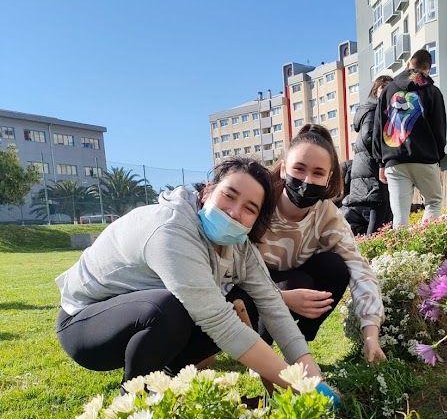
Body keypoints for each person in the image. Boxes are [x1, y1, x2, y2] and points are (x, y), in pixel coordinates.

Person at [54, 157, 325, 389]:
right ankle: (137, 397)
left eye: (249, 208)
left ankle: (170, 375)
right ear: (207, 191)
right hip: (86, 323)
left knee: (246, 300)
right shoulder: (170, 229)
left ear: (256, 220)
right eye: (229, 195)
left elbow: (272, 304)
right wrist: (297, 385)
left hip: (147, 317)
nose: (234, 212)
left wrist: (311, 374)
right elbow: (221, 324)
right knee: (166, 309)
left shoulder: (240, 246)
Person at [254, 124, 386, 364]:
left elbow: (359, 268)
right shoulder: (258, 202)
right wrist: (280, 297)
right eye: (299, 169)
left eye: (318, 173)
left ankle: (300, 342)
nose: (307, 181)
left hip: (296, 277)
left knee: (335, 266)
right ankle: (260, 344)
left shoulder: (327, 214)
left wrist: (370, 333)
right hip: (254, 283)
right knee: (292, 283)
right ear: (283, 169)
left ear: (328, 178)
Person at [372, 48, 447, 228]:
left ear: (408, 65)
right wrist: (438, 156)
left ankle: (401, 246)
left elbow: (378, 126)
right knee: (433, 202)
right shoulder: (432, 91)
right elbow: (439, 127)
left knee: (400, 215)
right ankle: (428, 243)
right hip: (425, 157)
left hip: (394, 159)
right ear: (427, 69)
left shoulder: (388, 91)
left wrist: (380, 162)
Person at [341, 75, 393, 236]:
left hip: (368, 172)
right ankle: (372, 249)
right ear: (375, 90)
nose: (387, 92)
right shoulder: (373, 110)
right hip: (372, 172)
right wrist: (384, 157)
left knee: (382, 217)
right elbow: (369, 136)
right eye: (383, 88)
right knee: (379, 218)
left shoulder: (374, 110)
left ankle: (372, 247)